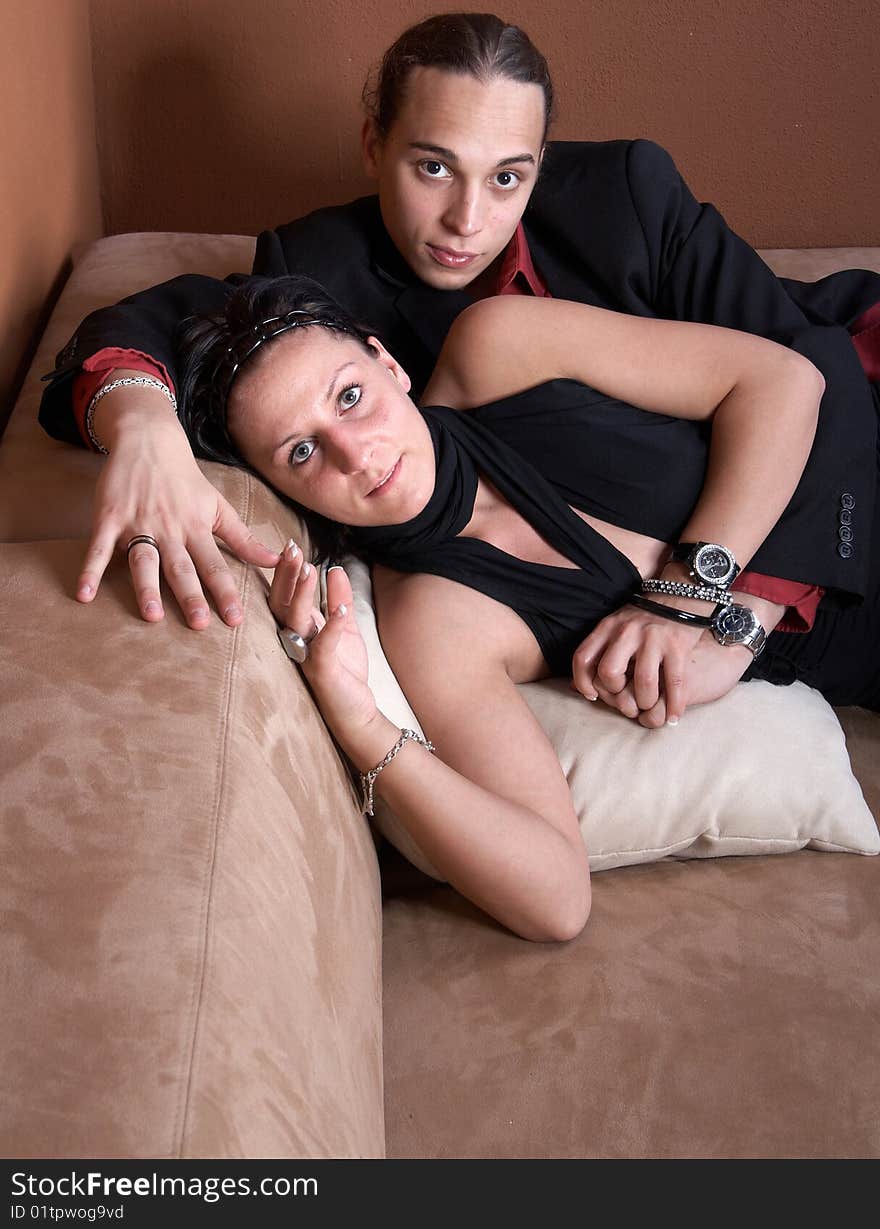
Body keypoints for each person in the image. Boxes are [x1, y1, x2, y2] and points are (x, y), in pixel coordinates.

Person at [37, 12, 880, 727]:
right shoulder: (322, 266)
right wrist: (142, 422)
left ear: (541, 167)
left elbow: (815, 364)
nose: (467, 220)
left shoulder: (627, 192)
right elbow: (155, 315)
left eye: (508, 177)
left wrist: (727, 613)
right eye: (432, 167)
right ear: (375, 146)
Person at [172, 270, 867, 940]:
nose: (354, 454)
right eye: (301, 451)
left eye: (350, 396)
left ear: (387, 363)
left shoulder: (498, 346)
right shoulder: (436, 619)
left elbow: (787, 380)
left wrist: (684, 601)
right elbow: (556, 898)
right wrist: (358, 721)